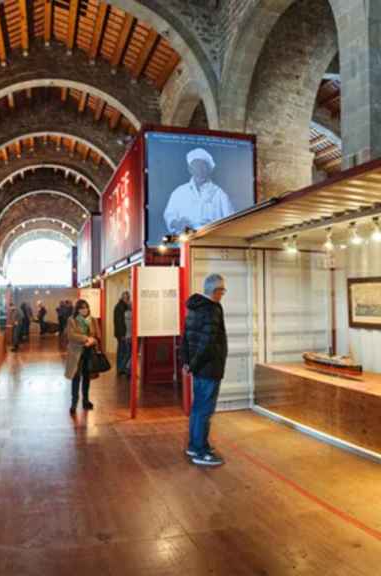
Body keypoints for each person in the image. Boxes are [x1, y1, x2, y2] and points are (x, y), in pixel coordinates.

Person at [180, 274, 228, 467]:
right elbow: (207, 342)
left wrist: (188, 362)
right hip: (209, 368)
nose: (223, 294)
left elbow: (186, 337)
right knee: (204, 410)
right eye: (222, 290)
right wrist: (195, 364)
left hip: (199, 367)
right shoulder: (212, 309)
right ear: (215, 291)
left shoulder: (194, 308)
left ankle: (195, 445)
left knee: (198, 408)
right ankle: (200, 451)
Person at [163, 148, 234, 235]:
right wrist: (178, 224)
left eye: (203, 166)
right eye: (196, 165)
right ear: (190, 169)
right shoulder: (179, 192)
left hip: (210, 240)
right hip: (184, 240)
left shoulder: (220, 194)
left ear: (209, 169)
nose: (200, 170)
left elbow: (231, 222)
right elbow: (169, 216)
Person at [65, 299, 100, 414]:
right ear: (77, 309)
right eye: (81, 308)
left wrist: (93, 340)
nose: (84, 310)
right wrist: (86, 338)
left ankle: (85, 400)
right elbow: (71, 335)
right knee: (76, 377)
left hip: (89, 352)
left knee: (87, 377)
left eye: (86, 307)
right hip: (76, 353)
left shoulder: (93, 320)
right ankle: (74, 402)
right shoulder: (72, 320)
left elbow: (98, 335)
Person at [114, 291, 131, 375]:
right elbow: (120, 322)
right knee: (123, 352)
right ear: (123, 298)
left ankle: (121, 368)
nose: (127, 299)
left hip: (121, 333)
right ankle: (120, 369)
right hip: (122, 334)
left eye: (127, 298)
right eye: (125, 298)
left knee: (123, 351)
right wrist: (122, 335)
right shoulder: (121, 307)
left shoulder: (121, 306)